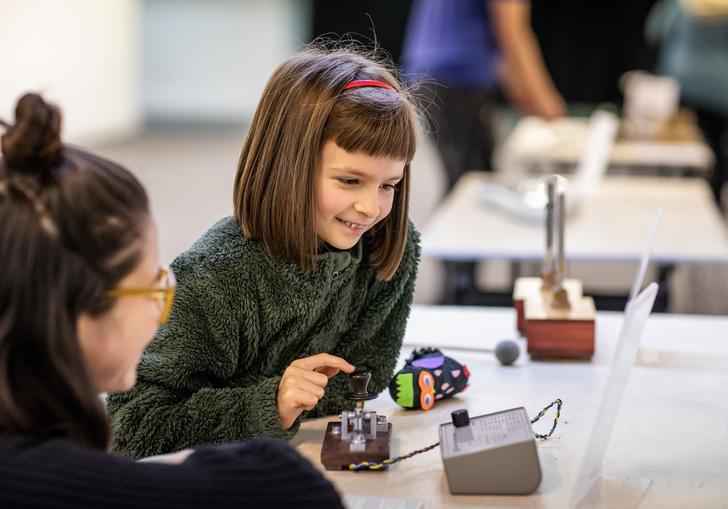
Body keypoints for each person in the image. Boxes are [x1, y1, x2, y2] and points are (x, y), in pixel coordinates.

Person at [0, 93, 344, 508]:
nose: (160, 315)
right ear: (70, 310)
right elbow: (291, 487)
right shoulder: (48, 483)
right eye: (152, 289)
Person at [107, 45, 422, 458]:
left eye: (388, 186)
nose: (370, 208)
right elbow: (130, 427)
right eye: (348, 181)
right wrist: (269, 403)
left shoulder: (388, 249)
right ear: (288, 166)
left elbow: (365, 375)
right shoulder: (215, 276)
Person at [402, 0, 566, 191]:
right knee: (472, 186)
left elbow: (502, 48)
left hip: (435, 74)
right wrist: (548, 106)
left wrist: (524, 96)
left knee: (467, 181)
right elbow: (512, 33)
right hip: (457, 78)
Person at [647, 0, 728, 210]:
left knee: (685, 143)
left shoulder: (678, 6)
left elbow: (654, 32)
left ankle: (681, 200)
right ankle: (713, 199)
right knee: (718, 147)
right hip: (721, 84)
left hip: (685, 82)